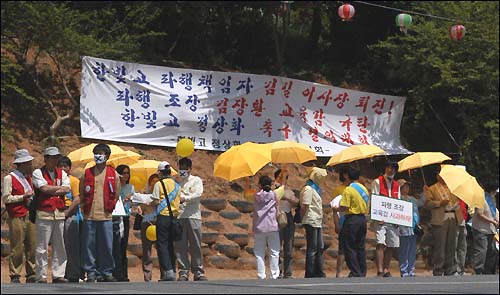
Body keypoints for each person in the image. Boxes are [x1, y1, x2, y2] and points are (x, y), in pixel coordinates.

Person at [79, 143, 121, 283]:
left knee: (107, 245)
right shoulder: (87, 172)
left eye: (101, 153)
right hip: (89, 214)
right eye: (96, 153)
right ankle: (90, 272)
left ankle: (106, 271)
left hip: (106, 215)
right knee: (89, 246)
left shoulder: (113, 173)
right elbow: (81, 192)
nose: (98, 155)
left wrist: (110, 205)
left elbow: (116, 193)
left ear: (107, 156)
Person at [32, 146, 71, 283]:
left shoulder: (62, 173)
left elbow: (67, 189)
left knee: (60, 246)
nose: (55, 160)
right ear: (46, 158)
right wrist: (57, 189)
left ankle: (58, 274)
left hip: (58, 213)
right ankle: (41, 276)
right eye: (52, 157)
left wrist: (51, 189)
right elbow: (43, 188)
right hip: (44, 213)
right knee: (42, 247)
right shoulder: (38, 172)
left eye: (56, 158)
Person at [1, 149, 37, 283]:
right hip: (16, 215)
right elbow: (6, 198)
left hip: (29, 214)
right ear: (22, 164)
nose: (30, 165)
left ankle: (31, 272)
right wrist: (22, 197)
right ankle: (15, 273)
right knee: (17, 246)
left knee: (31, 244)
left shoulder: (28, 178)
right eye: (28, 163)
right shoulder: (9, 178)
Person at [332, 166, 369, 277]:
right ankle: (362, 270)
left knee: (349, 246)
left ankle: (355, 271)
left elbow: (344, 206)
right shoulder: (364, 189)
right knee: (360, 246)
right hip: (362, 219)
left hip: (352, 219)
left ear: (347, 175)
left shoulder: (349, 189)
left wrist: (335, 209)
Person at [424, 172, 463, 276]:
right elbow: (427, 204)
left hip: (453, 217)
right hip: (440, 218)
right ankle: (438, 269)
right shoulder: (432, 188)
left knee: (452, 245)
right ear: (437, 176)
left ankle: (450, 269)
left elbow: (458, 200)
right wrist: (439, 203)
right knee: (440, 246)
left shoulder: (452, 188)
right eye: (440, 175)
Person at [175, 158, 207, 281]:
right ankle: (183, 272)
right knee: (180, 246)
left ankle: (198, 271)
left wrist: (185, 198)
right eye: (180, 168)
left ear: (190, 169)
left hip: (193, 216)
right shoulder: (176, 182)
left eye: (185, 168)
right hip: (180, 216)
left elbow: (198, 194)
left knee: (196, 245)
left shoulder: (196, 180)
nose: (182, 170)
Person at [152, 161, 181, 281]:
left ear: (160, 173)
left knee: (162, 244)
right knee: (170, 245)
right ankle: (173, 269)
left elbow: (155, 200)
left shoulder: (159, 184)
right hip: (174, 218)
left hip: (163, 217)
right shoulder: (177, 185)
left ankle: (168, 272)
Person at [371, 161, 401, 277]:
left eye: (393, 168)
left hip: (392, 219)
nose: (390, 170)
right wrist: (377, 216)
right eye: (389, 167)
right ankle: (379, 269)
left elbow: (398, 202)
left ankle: (386, 268)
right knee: (380, 243)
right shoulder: (377, 182)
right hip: (380, 218)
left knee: (392, 245)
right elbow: (374, 198)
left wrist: (398, 219)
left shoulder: (396, 185)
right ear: (385, 168)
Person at [57, 156, 84, 283]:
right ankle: (60, 273)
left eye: (65, 166)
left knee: (71, 244)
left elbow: (77, 199)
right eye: (60, 166)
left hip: (70, 213)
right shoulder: (55, 181)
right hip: (56, 212)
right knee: (59, 245)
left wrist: (67, 213)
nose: (63, 168)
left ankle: (73, 273)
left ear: (70, 168)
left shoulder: (73, 181)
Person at [300, 167, 327, 278]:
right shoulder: (308, 188)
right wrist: (302, 218)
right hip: (311, 220)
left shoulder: (315, 188)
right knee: (312, 247)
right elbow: (305, 205)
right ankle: (310, 272)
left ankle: (319, 270)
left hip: (317, 220)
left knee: (319, 247)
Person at [252, 175, 280, 279]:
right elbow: (278, 209)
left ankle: (261, 275)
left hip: (259, 227)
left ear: (260, 184)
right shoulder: (274, 195)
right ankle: (274, 274)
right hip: (273, 226)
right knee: (274, 251)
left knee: (259, 252)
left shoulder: (256, 196)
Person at [134, 173, 160, 282]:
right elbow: (140, 208)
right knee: (146, 250)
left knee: (161, 249)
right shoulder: (144, 195)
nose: (154, 183)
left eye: (156, 181)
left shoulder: (162, 195)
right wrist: (139, 208)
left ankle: (165, 273)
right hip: (146, 221)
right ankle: (147, 275)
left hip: (159, 222)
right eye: (152, 181)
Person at [397, 179, 425, 277]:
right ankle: (404, 270)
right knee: (404, 249)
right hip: (403, 228)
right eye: (405, 186)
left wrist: (424, 192)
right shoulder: (397, 199)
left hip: (413, 228)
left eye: (408, 186)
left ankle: (411, 270)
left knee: (412, 250)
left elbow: (421, 202)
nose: (407, 188)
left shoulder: (412, 199)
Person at [274, 168, 298, 279]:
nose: (282, 179)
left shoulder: (289, 191)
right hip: (276, 217)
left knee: (288, 245)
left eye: (284, 178)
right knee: (277, 246)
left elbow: (296, 202)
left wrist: (289, 199)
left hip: (288, 217)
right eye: (280, 177)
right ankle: (277, 271)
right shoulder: (273, 190)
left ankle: (288, 272)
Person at [112, 165, 135, 282]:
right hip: (115, 216)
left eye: (128, 173)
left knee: (123, 245)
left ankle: (123, 273)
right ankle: (115, 271)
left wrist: (130, 200)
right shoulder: (115, 187)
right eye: (124, 173)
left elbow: (134, 202)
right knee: (114, 245)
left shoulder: (130, 187)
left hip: (125, 217)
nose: (126, 175)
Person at [471, 182, 499, 275]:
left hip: (490, 229)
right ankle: (478, 270)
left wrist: (496, 221)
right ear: (492, 190)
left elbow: (494, 212)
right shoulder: (481, 198)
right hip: (481, 228)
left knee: (491, 251)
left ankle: (489, 271)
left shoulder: (492, 198)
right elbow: (480, 214)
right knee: (481, 250)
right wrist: (492, 221)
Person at [330, 166, 349, 278]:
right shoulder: (338, 189)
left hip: (352, 220)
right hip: (342, 220)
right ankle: (339, 271)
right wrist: (336, 223)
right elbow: (334, 209)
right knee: (342, 247)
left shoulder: (355, 188)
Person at [455, 199, 469, 276]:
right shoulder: (452, 197)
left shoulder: (463, 200)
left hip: (463, 223)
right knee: (454, 247)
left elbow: (465, 213)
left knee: (463, 247)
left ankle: (461, 269)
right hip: (455, 223)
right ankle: (455, 269)